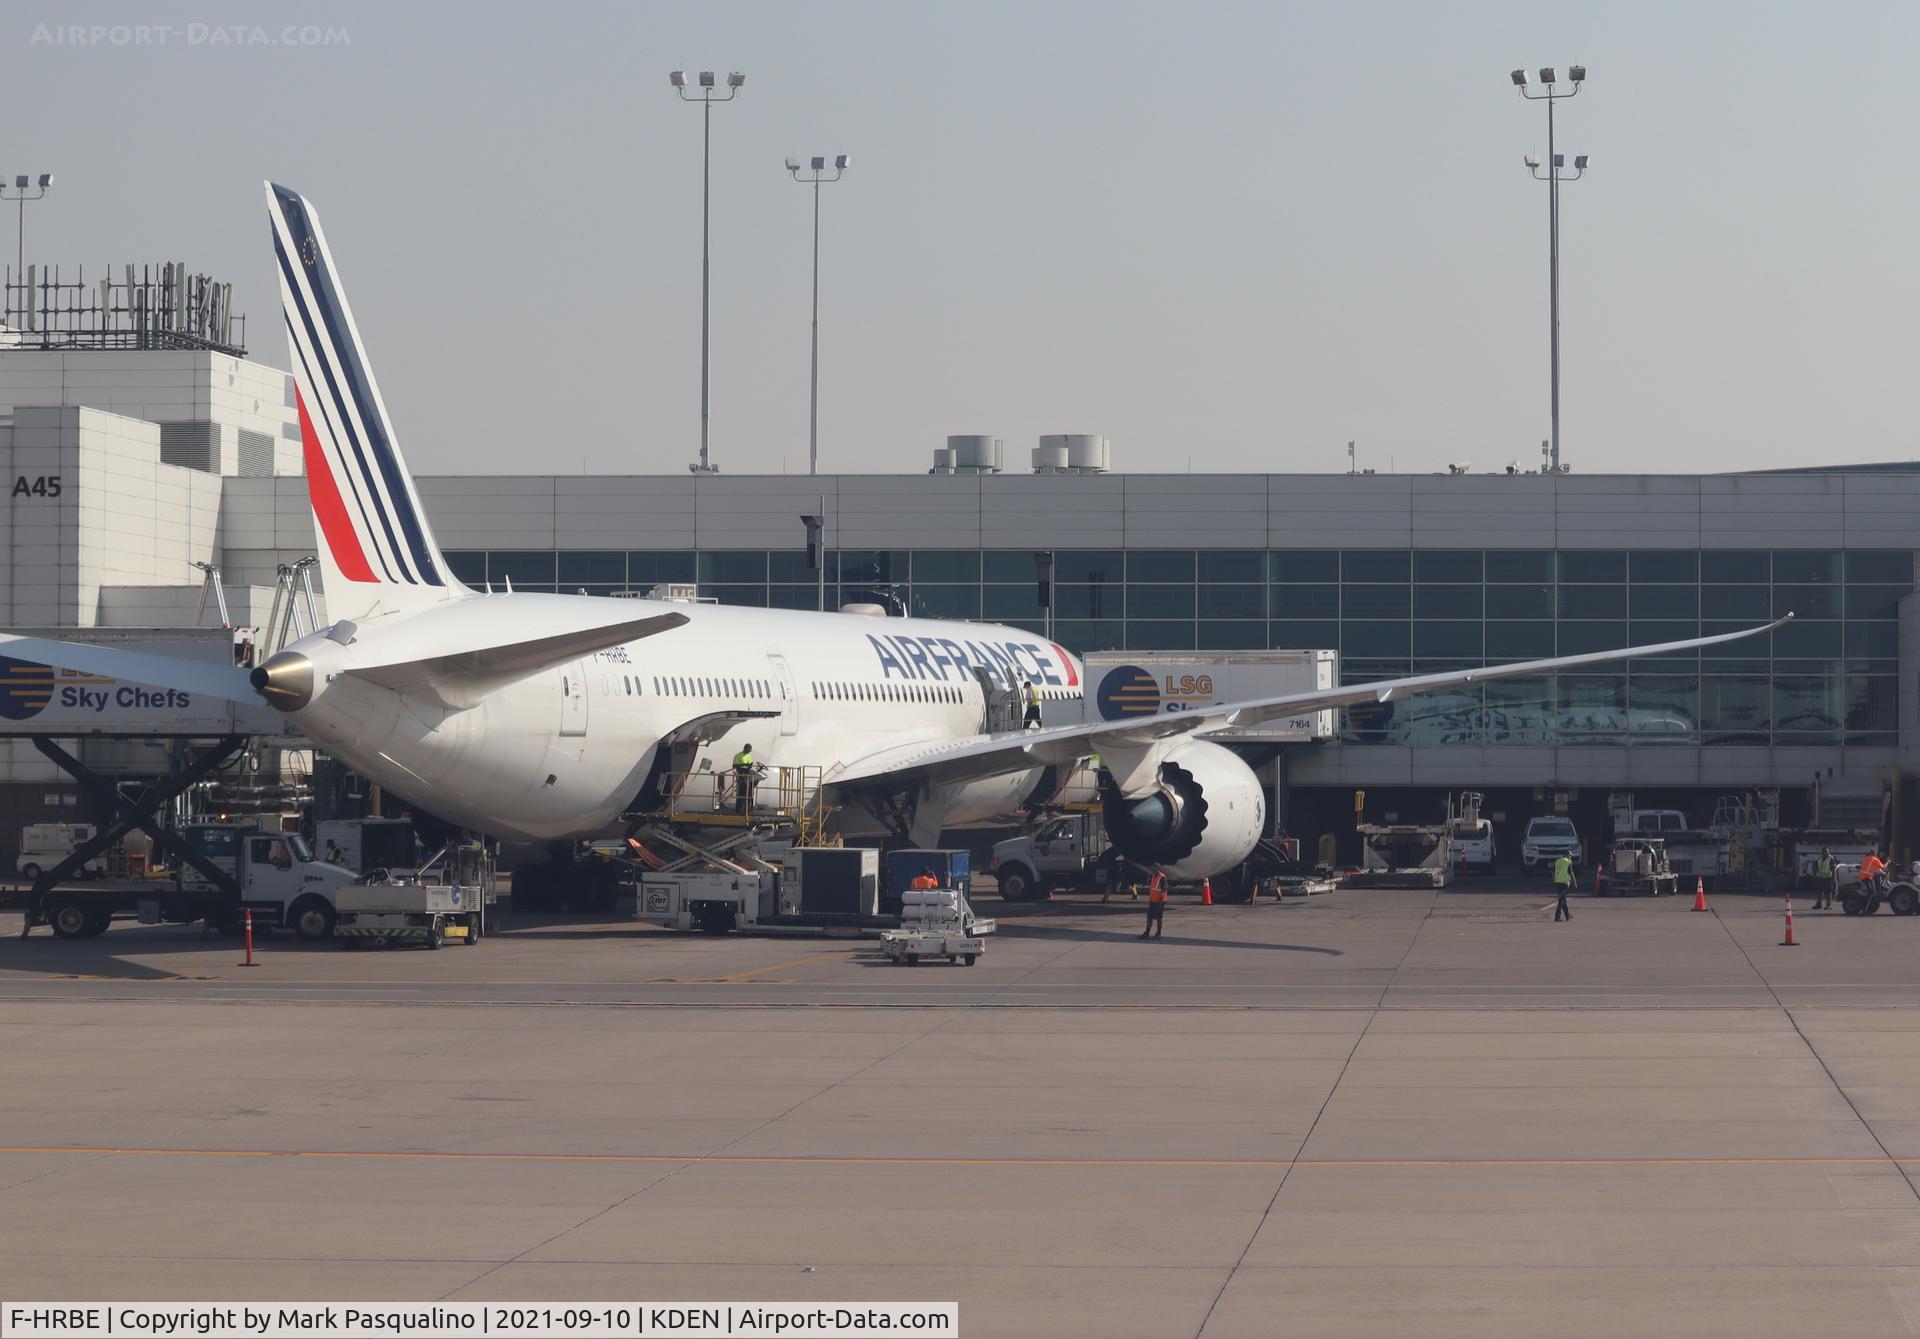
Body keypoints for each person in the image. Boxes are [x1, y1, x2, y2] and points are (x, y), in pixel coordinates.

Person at [1139, 868, 1168, 940]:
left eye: (1154, 869)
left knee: (1159, 918)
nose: (1152, 870)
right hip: (1152, 900)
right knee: (1149, 917)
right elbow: (1153, 888)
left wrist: (1160, 901)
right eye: (1152, 869)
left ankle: (1158, 933)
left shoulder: (1162, 877)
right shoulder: (1153, 876)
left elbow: (1164, 889)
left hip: (1159, 901)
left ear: (1157, 869)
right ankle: (1147, 933)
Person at [732, 742, 757, 815]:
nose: (749, 752)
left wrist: (747, 768)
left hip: (747, 777)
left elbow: (749, 766)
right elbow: (735, 767)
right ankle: (738, 809)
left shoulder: (749, 756)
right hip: (741, 777)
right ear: (745, 748)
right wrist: (739, 774)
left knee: (749, 793)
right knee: (741, 793)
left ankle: (748, 808)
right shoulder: (738, 756)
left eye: (750, 751)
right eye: (748, 750)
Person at [1552, 852, 1575, 923]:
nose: (1571, 857)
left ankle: (1567, 916)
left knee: (1563, 900)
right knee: (1561, 901)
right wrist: (1574, 882)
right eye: (1570, 856)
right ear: (1567, 855)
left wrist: (1554, 880)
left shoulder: (1557, 861)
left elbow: (1553, 872)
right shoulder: (1568, 862)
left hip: (1558, 882)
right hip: (1564, 883)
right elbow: (1571, 872)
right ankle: (1557, 917)